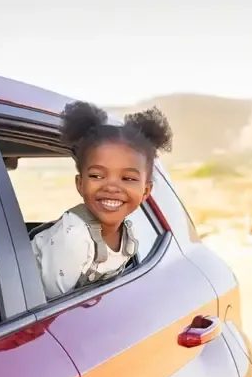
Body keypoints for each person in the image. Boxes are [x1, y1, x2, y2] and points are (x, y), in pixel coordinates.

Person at [31, 100, 173, 299]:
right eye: (97, 176)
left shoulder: (128, 235)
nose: (111, 187)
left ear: (146, 191)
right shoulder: (74, 238)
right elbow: (50, 312)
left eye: (128, 178)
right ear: (80, 184)